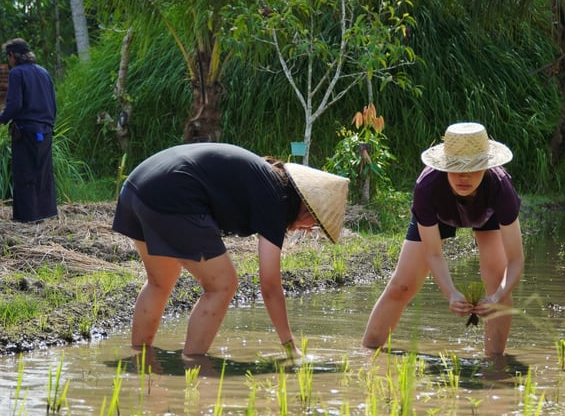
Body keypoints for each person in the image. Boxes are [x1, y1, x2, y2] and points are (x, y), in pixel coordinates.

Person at [111, 142, 349, 358]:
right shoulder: (277, 199)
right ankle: (194, 366)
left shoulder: (267, 181)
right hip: (173, 196)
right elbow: (270, 285)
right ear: (307, 209)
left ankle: (140, 360)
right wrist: (290, 347)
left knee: (160, 282)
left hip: (137, 188)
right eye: (315, 224)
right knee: (223, 284)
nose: (309, 230)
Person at [362, 122, 524, 357]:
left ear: (486, 167)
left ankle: (494, 364)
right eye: (456, 168)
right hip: (439, 214)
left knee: (497, 279)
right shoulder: (427, 187)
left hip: (487, 214)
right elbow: (434, 253)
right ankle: (367, 355)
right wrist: (451, 293)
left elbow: (516, 259)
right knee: (402, 284)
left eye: (473, 168)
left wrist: (498, 295)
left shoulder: (500, 187)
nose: (463, 177)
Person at [0, 38, 58, 223]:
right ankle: (44, 215)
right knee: (43, 174)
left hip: (26, 131)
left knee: (25, 174)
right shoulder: (44, 73)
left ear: (12, 56)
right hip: (46, 131)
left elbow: (15, 104)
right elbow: (53, 105)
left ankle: (26, 218)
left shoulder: (17, 73)